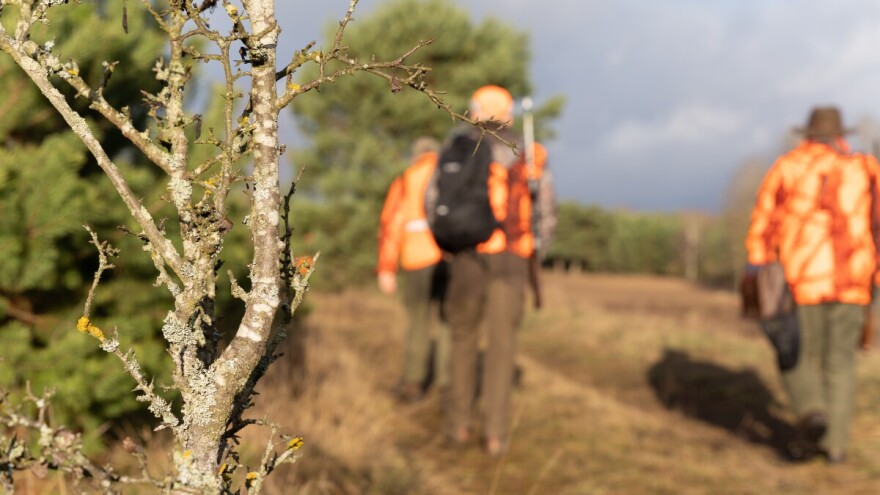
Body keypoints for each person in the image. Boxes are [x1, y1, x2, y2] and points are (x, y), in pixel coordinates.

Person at [745, 106, 880, 464]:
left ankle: (812, 412)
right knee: (841, 364)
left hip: (800, 282)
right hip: (854, 283)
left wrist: (756, 268)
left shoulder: (788, 167)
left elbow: (763, 220)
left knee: (795, 354)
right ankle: (835, 447)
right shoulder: (866, 169)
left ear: (807, 135)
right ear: (840, 136)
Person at [437, 85, 556, 456]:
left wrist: (448, 248)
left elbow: (433, 200)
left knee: (462, 338)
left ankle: (457, 424)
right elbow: (546, 214)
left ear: (474, 111)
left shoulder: (457, 146)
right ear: (509, 115)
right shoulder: (530, 152)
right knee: (503, 346)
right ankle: (496, 434)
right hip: (513, 259)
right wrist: (533, 252)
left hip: (469, 254)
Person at [377, 137, 451, 402]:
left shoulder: (407, 178)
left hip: (416, 259)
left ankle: (412, 383)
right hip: (449, 258)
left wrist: (386, 268)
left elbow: (391, 224)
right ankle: (446, 384)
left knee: (417, 323)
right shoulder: (450, 174)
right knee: (446, 323)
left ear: (416, 155)